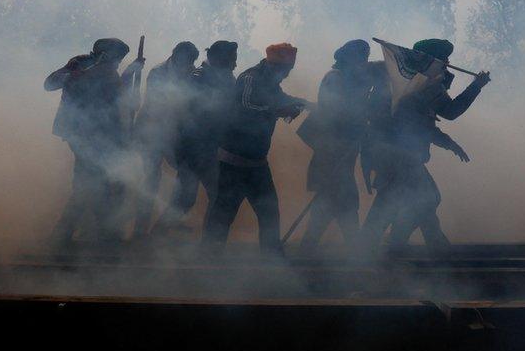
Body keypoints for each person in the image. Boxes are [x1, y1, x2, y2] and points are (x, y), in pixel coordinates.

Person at [360, 39, 490, 256]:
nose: (447, 63)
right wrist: (476, 86)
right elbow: (450, 111)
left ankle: (409, 247)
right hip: (401, 155)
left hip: (388, 153)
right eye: (444, 59)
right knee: (426, 199)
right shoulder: (425, 84)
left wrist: (449, 143)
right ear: (432, 60)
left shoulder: (403, 82)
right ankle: (392, 247)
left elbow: (422, 125)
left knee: (397, 202)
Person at [201, 43, 308, 256]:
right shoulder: (250, 78)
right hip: (232, 162)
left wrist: (305, 103)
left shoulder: (271, 82)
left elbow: (281, 99)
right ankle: (208, 259)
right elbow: (245, 107)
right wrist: (278, 110)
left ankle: (271, 258)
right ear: (273, 65)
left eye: (288, 71)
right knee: (224, 213)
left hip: (257, 163)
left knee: (269, 212)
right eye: (284, 70)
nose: (286, 75)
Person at [44, 38, 144, 247]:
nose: (118, 63)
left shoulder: (107, 70)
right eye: (117, 59)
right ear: (105, 54)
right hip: (82, 135)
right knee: (92, 184)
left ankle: (87, 234)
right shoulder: (80, 64)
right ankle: (83, 235)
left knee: (96, 184)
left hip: (100, 135)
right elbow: (50, 84)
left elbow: (114, 94)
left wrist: (131, 73)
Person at [153, 40, 239, 236]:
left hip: (210, 149)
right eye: (232, 59)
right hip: (196, 149)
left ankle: (162, 236)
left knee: (196, 197)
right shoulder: (197, 79)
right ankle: (206, 244)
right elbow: (184, 115)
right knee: (200, 197)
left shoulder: (223, 78)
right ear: (219, 60)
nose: (234, 64)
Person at [296, 40, 375, 253]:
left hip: (340, 156)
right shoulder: (336, 79)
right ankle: (355, 254)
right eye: (362, 57)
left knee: (331, 208)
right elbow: (336, 113)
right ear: (352, 58)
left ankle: (309, 253)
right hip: (331, 155)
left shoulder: (346, 79)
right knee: (342, 205)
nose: (365, 62)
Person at [133, 41, 200, 237]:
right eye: (185, 60)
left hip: (175, 135)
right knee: (151, 182)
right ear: (175, 55)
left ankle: (170, 221)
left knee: (188, 178)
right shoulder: (158, 72)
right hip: (152, 134)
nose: (188, 65)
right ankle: (140, 230)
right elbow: (160, 104)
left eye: (191, 62)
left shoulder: (192, 72)